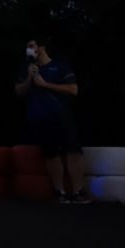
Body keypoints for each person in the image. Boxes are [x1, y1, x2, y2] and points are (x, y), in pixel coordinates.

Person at [15, 37, 91, 204]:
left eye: (32, 46)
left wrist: (45, 84)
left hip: (61, 114)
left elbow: (73, 89)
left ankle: (78, 191)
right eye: (27, 47)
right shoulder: (26, 68)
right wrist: (29, 78)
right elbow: (19, 91)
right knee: (51, 154)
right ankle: (59, 191)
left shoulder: (60, 66)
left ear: (41, 47)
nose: (29, 49)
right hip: (39, 116)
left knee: (73, 151)